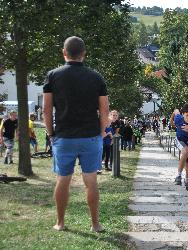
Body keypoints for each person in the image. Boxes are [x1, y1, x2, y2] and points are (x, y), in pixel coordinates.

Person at [43, 36, 109, 232]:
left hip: (63, 136)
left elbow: (47, 110)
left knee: (63, 179)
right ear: (84, 54)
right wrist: (101, 132)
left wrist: (50, 133)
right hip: (90, 136)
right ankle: (95, 224)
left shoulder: (53, 76)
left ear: (64, 53)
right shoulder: (96, 77)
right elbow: (104, 111)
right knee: (91, 180)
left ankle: (60, 223)